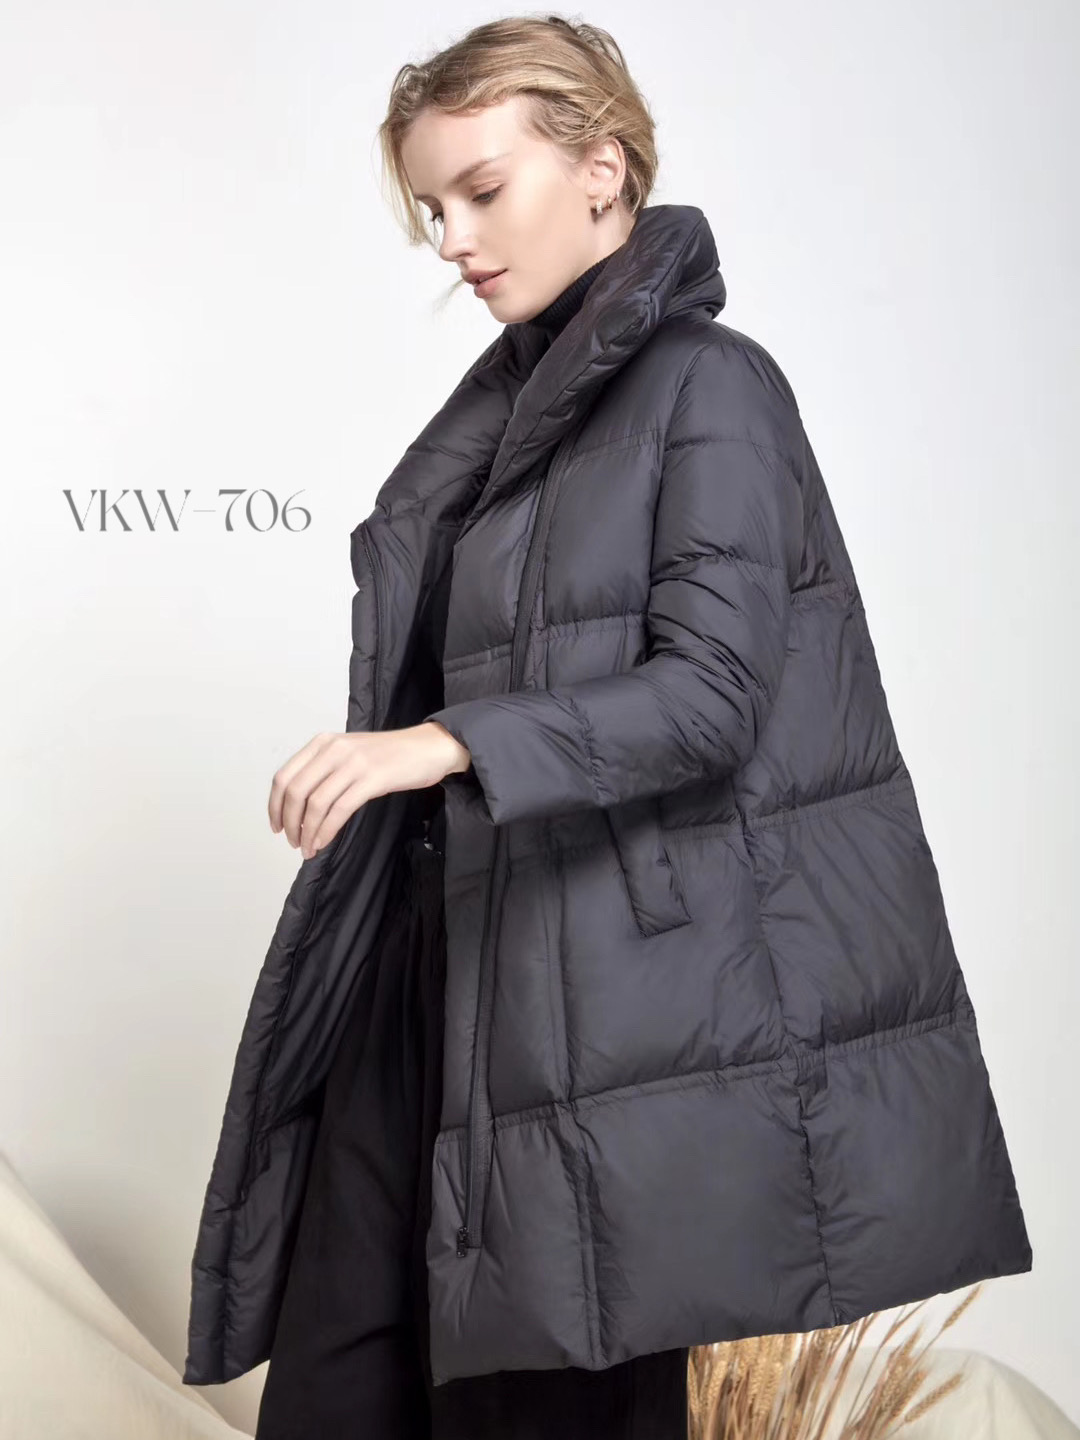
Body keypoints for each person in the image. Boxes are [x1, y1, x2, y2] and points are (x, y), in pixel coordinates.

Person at [184, 14, 1032, 1437]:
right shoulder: (512, 419)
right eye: (433, 210)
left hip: (588, 1007)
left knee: (546, 1413)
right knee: (337, 1389)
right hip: (431, 966)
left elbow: (711, 697)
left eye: (482, 190)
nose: (454, 242)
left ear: (603, 168)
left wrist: (443, 743)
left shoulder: (712, 386)